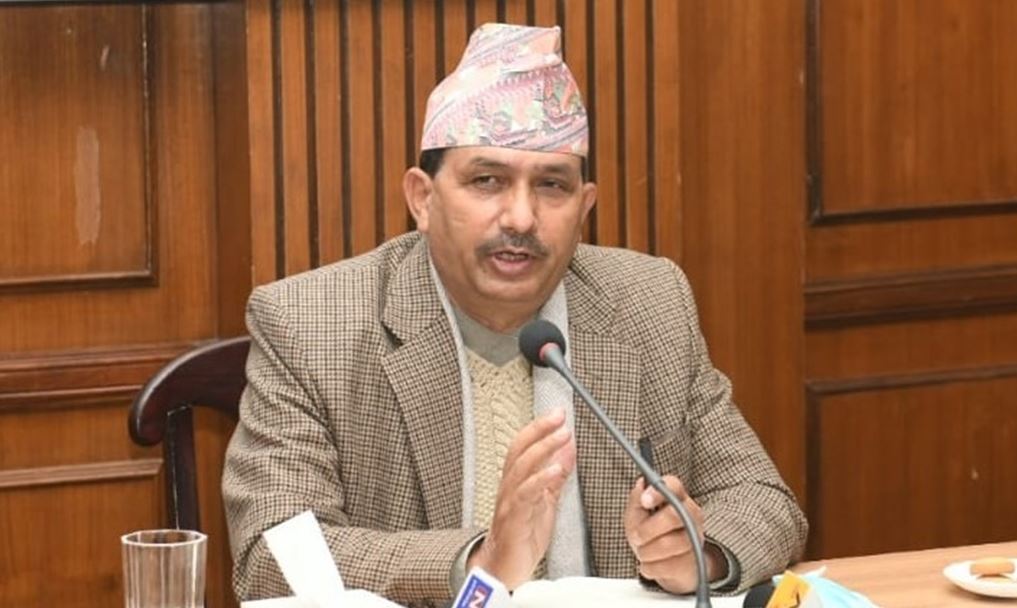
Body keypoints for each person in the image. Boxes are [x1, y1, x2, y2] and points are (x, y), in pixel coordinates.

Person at [223, 22, 807, 607]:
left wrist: (697, 552)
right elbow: (272, 553)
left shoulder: (649, 301)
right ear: (422, 198)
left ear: (583, 208)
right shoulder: (309, 323)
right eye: (487, 181)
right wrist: (480, 561)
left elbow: (763, 499)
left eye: (552, 186)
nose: (522, 218)